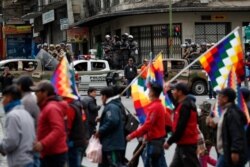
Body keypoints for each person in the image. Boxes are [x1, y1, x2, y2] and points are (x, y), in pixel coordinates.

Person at [127, 82, 167, 167]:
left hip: (154, 142)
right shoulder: (158, 106)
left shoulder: (155, 107)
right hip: (154, 140)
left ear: (152, 92)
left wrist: (132, 135)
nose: (148, 92)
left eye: (149, 90)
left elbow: (147, 126)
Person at [31, 80, 68, 167]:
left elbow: (58, 129)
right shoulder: (47, 106)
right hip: (49, 153)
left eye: (37, 92)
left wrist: (43, 143)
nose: (35, 95)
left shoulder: (51, 108)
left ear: (45, 93)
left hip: (54, 154)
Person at [164, 82, 200, 167]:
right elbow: (174, 103)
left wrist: (169, 141)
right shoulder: (183, 103)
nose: (173, 92)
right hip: (182, 144)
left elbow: (181, 127)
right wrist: (168, 92)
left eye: (175, 90)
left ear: (180, 92)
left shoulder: (185, 106)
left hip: (187, 145)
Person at [0, 85, 35, 167]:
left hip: (19, 162)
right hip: (29, 159)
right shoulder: (26, 113)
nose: (2, 102)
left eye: (3, 98)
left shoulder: (12, 116)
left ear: (9, 98)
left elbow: (11, 141)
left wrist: (1, 147)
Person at [215, 88, 247, 167]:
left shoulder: (232, 113)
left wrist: (235, 151)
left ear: (226, 99)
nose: (218, 99)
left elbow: (236, 133)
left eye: (220, 96)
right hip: (224, 152)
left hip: (228, 153)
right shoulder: (226, 111)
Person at [94, 87, 126, 167]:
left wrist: (100, 131)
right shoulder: (112, 105)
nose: (101, 98)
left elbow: (113, 121)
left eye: (101, 96)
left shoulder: (111, 106)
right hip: (108, 144)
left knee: (113, 164)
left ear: (105, 96)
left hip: (112, 144)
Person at [64, 98, 87, 167]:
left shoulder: (69, 108)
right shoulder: (76, 105)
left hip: (73, 142)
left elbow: (67, 127)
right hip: (78, 140)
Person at [198, 101, 217, 167]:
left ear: (203, 110)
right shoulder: (212, 118)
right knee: (206, 158)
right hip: (210, 141)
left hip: (204, 142)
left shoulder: (201, 118)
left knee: (203, 159)